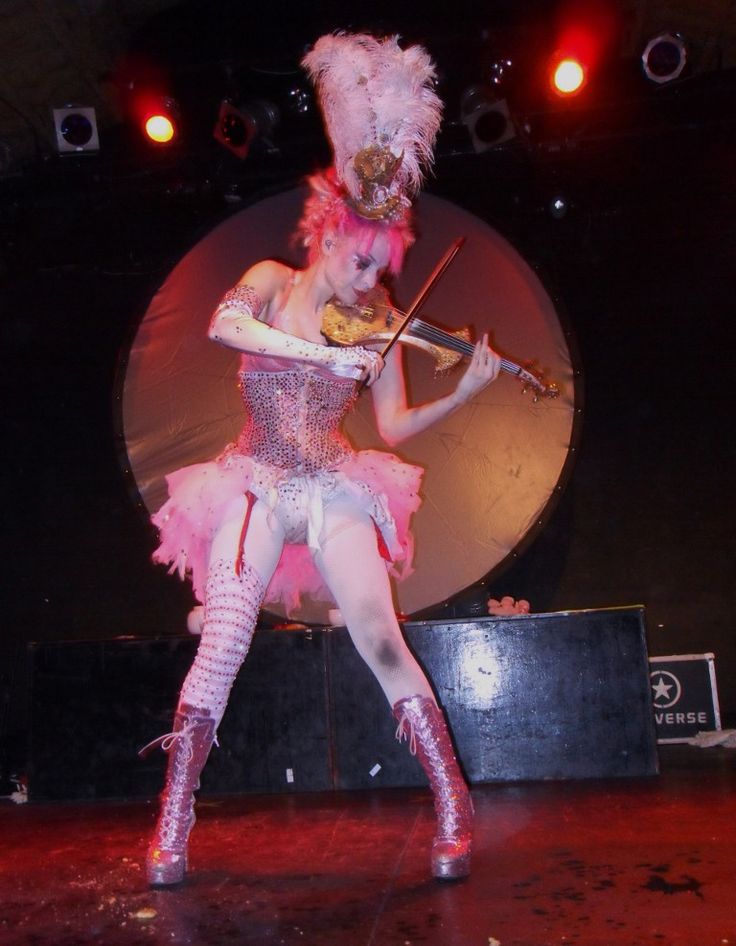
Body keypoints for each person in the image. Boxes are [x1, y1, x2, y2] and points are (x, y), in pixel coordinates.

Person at [143, 32, 502, 887]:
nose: (369, 284)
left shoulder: (377, 321)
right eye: (361, 261)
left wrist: (466, 389)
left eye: (383, 268)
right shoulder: (270, 280)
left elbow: (399, 423)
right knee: (223, 640)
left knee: (379, 634)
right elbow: (224, 325)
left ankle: (454, 805)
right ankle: (173, 820)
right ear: (327, 233)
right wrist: (315, 356)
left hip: (334, 480)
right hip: (254, 478)